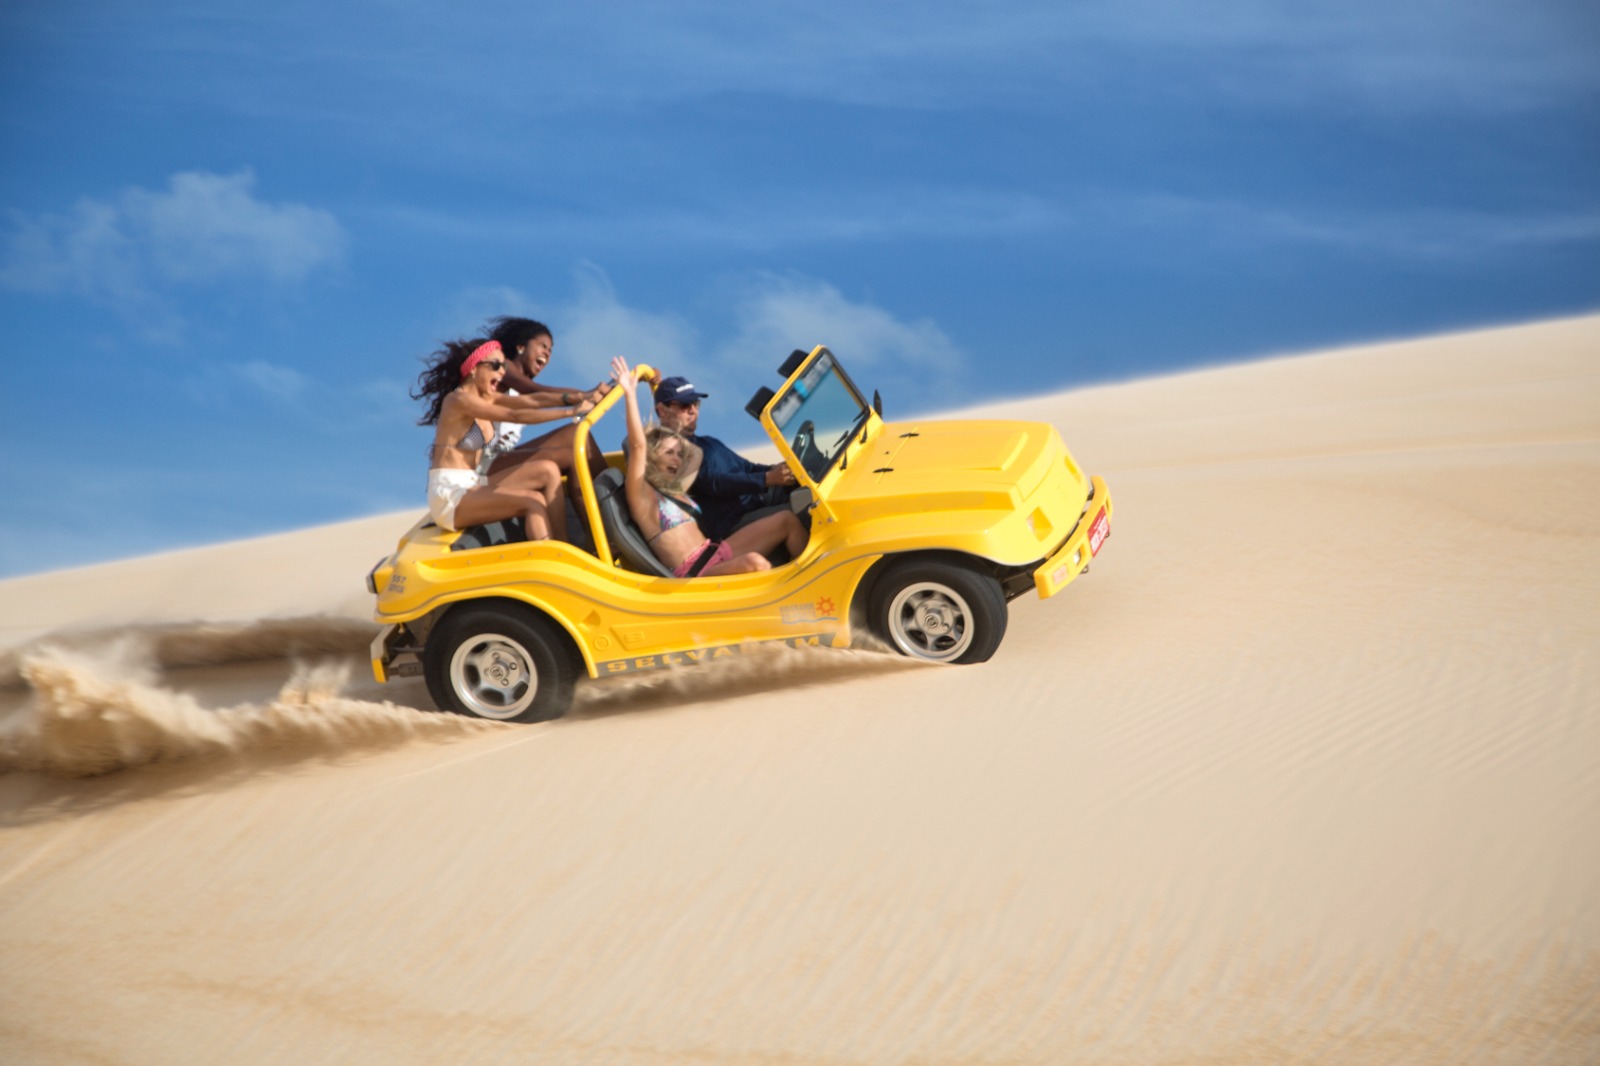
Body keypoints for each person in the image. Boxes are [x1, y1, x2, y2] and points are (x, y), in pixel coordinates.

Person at [612, 357, 807, 577]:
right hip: (696, 572)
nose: (677, 459)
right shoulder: (642, 496)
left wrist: (663, 388)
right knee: (756, 563)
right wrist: (630, 394)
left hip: (715, 552)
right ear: (651, 457)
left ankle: (813, 582)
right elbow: (638, 446)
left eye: (678, 454)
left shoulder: (675, 487)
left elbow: (694, 453)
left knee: (787, 521)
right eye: (669, 454)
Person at [412, 338, 594, 541]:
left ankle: (565, 545)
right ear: (474, 368)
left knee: (548, 471)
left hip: (474, 482)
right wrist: (572, 412)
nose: (501, 373)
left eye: (504, 367)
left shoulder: (486, 398)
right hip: (450, 494)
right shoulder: (458, 401)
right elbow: (514, 416)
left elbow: (531, 400)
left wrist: (579, 397)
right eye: (495, 366)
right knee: (532, 501)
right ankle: (556, 560)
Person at [653, 374, 799, 541]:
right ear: (662, 411)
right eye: (685, 405)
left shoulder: (708, 442)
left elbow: (748, 467)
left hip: (757, 501)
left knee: (804, 487)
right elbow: (715, 482)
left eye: (695, 403)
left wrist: (775, 470)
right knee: (803, 512)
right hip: (735, 524)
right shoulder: (672, 455)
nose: (693, 410)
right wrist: (767, 478)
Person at [481, 317, 611, 502]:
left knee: (576, 434)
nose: (547, 353)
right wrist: (584, 395)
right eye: (543, 346)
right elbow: (534, 392)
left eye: (550, 350)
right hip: (483, 466)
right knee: (572, 454)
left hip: (501, 458)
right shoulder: (503, 367)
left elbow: (536, 395)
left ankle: (615, 501)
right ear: (521, 347)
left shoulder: (519, 386)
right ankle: (608, 513)